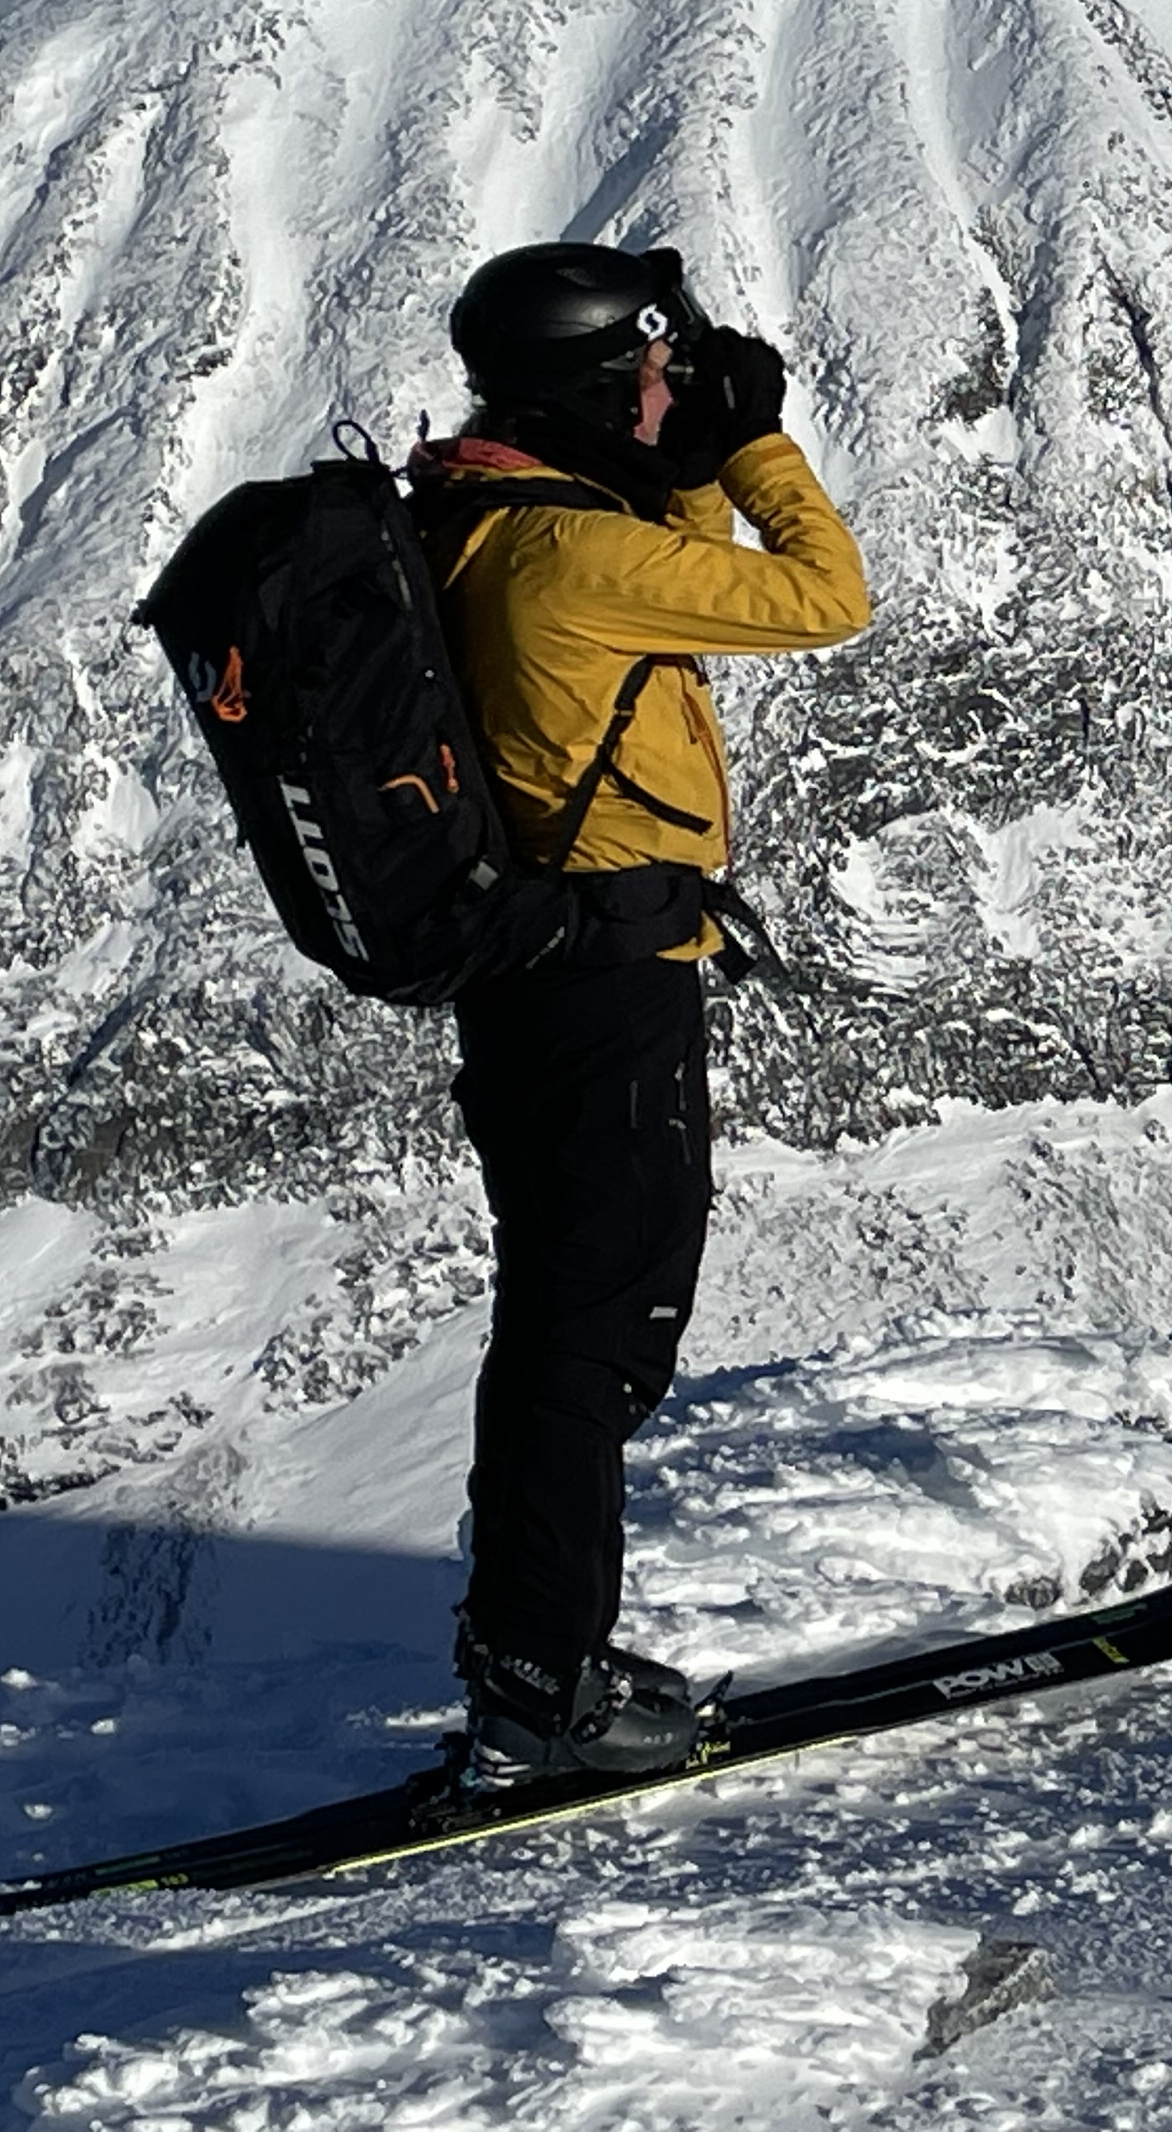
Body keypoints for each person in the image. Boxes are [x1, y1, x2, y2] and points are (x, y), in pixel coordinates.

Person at [411, 242, 871, 1784]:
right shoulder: (568, 556)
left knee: (558, 1317)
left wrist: (673, 458)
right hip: (606, 988)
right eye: (658, 371)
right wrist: (749, 449)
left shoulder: (499, 517)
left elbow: (638, 596)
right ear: (603, 383)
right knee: (596, 1335)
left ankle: (527, 1655)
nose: (678, 387)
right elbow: (826, 597)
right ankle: (546, 1689)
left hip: (537, 975)